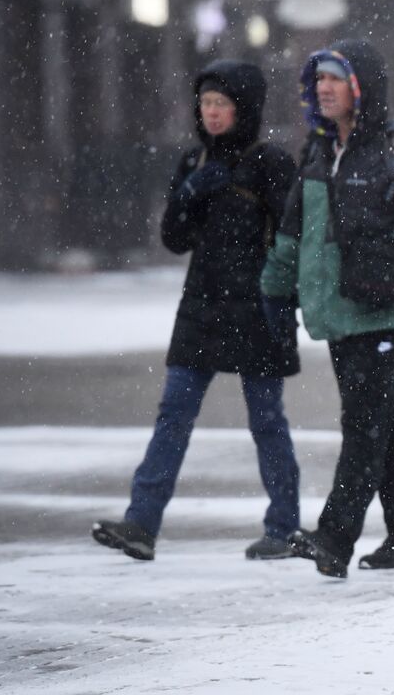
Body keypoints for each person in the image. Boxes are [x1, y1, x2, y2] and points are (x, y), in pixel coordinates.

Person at [261, 40, 394, 579]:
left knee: (363, 426)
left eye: (335, 78)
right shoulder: (316, 151)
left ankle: (334, 538)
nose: (323, 88)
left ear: (362, 88)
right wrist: (275, 294)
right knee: (381, 424)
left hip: (384, 308)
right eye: (319, 80)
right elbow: (292, 234)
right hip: (336, 309)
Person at [92, 60, 301, 561]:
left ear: (243, 109)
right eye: (205, 103)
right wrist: (188, 194)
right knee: (174, 414)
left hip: (258, 307)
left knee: (266, 419)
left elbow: (295, 236)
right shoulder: (193, 162)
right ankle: (141, 523)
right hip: (202, 305)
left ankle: (284, 527)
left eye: (222, 104)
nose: (211, 113)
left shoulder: (270, 162)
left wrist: (283, 298)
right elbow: (174, 238)